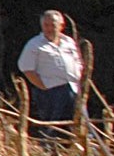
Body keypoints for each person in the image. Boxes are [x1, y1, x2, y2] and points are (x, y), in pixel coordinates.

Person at [17, 10, 83, 143]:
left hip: (73, 89)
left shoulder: (68, 42)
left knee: (78, 124)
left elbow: (78, 61)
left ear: (61, 25)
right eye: (46, 25)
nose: (49, 29)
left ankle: (78, 154)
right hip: (51, 92)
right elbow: (26, 68)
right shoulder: (35, 44)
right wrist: (43, 86)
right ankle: (50, 154)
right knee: (53, 127)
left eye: (52, 25)